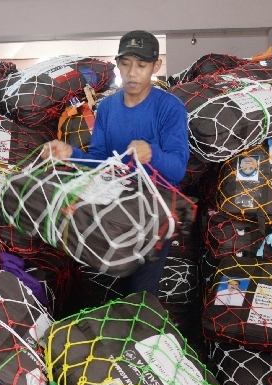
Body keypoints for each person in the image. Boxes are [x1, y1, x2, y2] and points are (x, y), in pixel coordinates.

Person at [42, 30, 190, 298]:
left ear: (156, 66)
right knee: (104, 285)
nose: (133, 73)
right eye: (126, 64)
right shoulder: (108, 107)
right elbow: (100, 161)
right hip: (114, 204)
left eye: (142, 65)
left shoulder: (170, 108)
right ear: (118, 64)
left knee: (141, 292)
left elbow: (178, 169)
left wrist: (152, 154)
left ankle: (143, 333)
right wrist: (70, 153)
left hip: (154, 210)